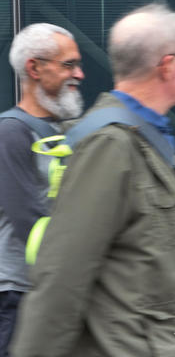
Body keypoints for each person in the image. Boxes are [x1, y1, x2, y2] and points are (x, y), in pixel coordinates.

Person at [10, 3, 175, 357]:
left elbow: (167, 248)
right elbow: (60, 278)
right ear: (168, 66)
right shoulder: (109, 145)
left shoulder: (147, 138)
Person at [0, 23, 84, 357]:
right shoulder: (12, 132)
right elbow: (31, 222)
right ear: (34, 67)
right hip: (19, 296)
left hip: (52, 293)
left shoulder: (63, 131)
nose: (79, 74)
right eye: (68, 64)